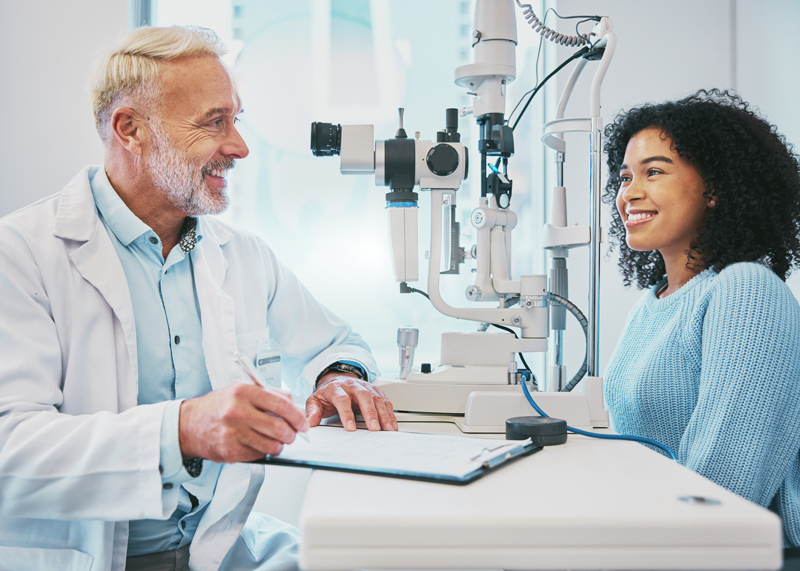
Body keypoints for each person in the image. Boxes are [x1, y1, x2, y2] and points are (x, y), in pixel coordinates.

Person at [0, 25, 397, 571]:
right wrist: (182, 430)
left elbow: (336, 342)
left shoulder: (242, 255)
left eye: (236, 119)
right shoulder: (21, 255)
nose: (239, 146)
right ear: (130, 129)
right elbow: (10, 450)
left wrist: (341, 376)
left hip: (224, 550)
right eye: (215, 122)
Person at [603, 89, 800, 555]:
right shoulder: (651, 307)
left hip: (721, 551)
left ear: (714, 189)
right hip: (667, 538)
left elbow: (721, 487)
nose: (629, 193)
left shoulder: (747, 291)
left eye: (653, 172)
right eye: (625, 176)